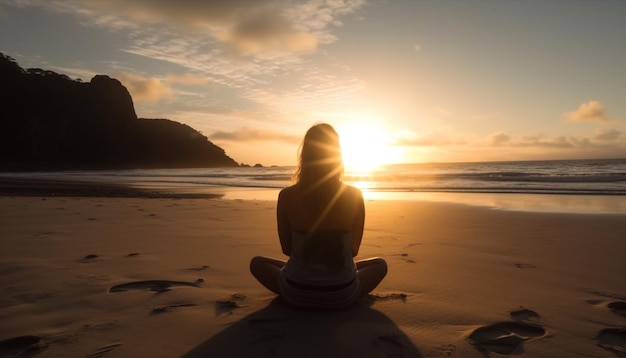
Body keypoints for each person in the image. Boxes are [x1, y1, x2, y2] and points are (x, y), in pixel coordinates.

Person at [250, 123, 387, 309]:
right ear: (337, 155)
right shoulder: (354, 195)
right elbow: (353, 251)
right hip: (343, 294)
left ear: (304, 155)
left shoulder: (287, 196)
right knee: (380, 265)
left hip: (295, 293)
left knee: (257, 263)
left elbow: (287, 250)